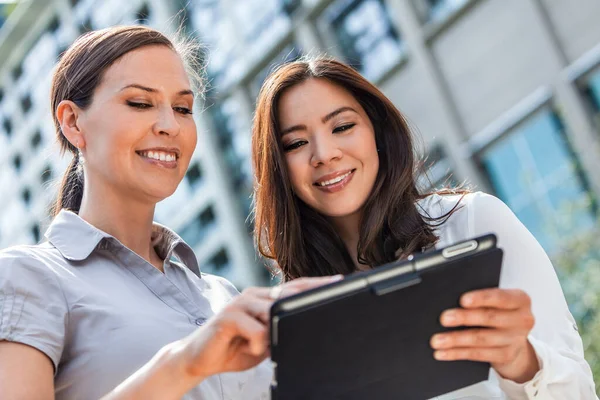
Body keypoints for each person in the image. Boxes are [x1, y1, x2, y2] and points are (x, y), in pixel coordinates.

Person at [0, 26, 340, 400]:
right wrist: (185, 363)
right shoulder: (27, 277)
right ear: (72, 122)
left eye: (183, 109)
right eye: (140, 103)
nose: (170, 125)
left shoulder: (220, 294)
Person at [251, 57, 598, 399]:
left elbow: (580, 393)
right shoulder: (294, 317)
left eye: (342, 127)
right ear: (278, 169)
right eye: (296, 143)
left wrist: (521, 360)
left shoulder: (473, 221)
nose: (324, 154)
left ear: (378, 134)